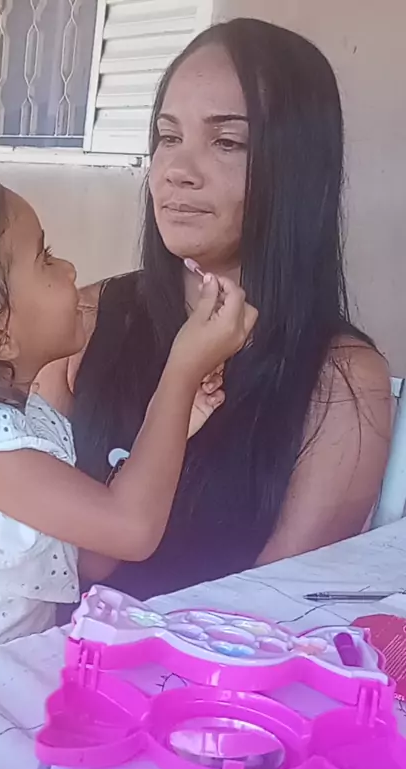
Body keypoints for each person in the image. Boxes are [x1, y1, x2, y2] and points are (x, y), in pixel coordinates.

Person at [38, 19, 392, 600]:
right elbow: (25, 546)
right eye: (168, 136)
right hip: (39, 648)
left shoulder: (344, 380)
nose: (178, 171)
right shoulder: (86, 317)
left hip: (209, 657)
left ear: (297, 168)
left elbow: (273, 607)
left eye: (226, 142)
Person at [0, 168, 255, 666]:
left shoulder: (28, 420)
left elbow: (91, 557)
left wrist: (175, 421)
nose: (70, 268)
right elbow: (132, 530)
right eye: (45, 258)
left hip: (0, 681)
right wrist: (182, 370)